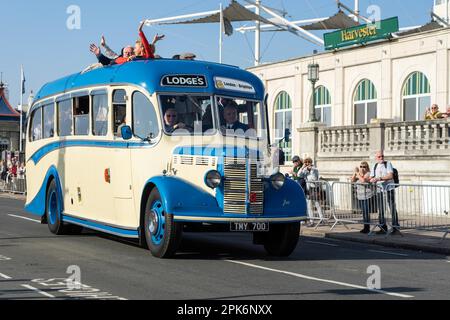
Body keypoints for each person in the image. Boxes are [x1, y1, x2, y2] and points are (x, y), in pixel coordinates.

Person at [370, 151, 400, 235]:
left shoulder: (388, 164)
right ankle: (383, 227)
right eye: (379, 156)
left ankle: (395, 227)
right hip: (380, 189)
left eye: (382, 156)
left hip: (389, 188)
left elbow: (390, 175)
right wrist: (371, 179)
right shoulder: (375, 165)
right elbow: (371, 177)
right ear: (376, 158)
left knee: (392, 208)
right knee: (381, 209)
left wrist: (379, 178)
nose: (381, 158)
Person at [298, 157, 323, 226]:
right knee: (309, 206)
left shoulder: (314, 169)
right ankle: (312, 221)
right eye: (306, 162)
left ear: (311, 163)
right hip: (308, 189)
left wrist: (310, 171)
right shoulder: (305, 169)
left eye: (308, 162)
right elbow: (299, 175)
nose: (307, 164)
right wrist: (302, 168)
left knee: (317, 204)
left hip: (314, 188)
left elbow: (314, 178)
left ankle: (322, 219)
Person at [351, 161, 374, 234]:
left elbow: (363, 180)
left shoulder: (368, 174)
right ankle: (365, 227)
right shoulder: (359, 174)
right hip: (360, 196)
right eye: (361, 166)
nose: (362, 168)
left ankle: (367, 228)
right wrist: (355, 174)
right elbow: (352, 180)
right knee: (364, 212)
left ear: (367, 168)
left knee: (366, 212)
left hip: (367, 196)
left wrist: (358, 174)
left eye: (364, 167)